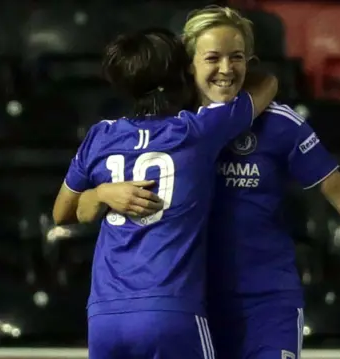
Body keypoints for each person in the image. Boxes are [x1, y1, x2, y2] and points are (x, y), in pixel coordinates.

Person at [78, 6, 340, 359]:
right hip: (193, 308)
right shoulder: (168, 129)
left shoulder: (279, 122)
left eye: (237, 57)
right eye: (213, 58)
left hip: (267, 305)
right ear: (187, 64)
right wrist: (99, 194)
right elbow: (82, 204)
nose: (227, 69)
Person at [51, 28, 278, 358]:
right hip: (172, 311)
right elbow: (267, 82)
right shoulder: (197, 130)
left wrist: (101, 193)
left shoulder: (100, 136)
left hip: (105, 317)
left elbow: (61, 213)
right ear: (180, 73)